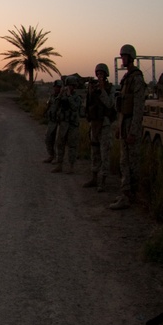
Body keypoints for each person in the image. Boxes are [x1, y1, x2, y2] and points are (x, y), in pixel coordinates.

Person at [111, 44, 146, 210]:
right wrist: (119, 127)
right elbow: (123, 107)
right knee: (124, 162)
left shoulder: (137, 79)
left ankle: (133, 194)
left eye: (124, 56)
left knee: (132, 163)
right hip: (125, 125)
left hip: (132, 126)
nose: (122, 59)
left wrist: (132, 131)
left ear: (131, 57)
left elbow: (138, 108)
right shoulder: (127, 79)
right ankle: (126, 194)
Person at [83, 63, 116, 192]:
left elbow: (109, 104)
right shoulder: (92, 87)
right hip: (95, 124)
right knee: (94, 152)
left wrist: (102, 90)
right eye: (98, 73)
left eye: (102, 74)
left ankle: (103, 181)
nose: (100, 76)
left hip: (105, 124)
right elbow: (88, 105)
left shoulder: (109, 88)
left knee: (104, 153)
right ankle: (94, 177)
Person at [52, 76, 82, 174]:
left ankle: (71, 166)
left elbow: (75, 107)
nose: (69, 87)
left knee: (72, 145)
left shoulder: (77, 97)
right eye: (68, 85)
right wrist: (60, 95)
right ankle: (59, 164)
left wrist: (69, 97)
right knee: (60, 144)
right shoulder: (62, 96)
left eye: (71, 86)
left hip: (73, 124)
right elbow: (55, 106)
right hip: (63, 123)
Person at [42, 80, 62, 163]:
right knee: (48, 138)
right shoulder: (52, 96)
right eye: (56, 87)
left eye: (58, 87)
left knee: (58, 141)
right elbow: (49, 105)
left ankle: (58, 158)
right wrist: (45, 112)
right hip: (52, 121)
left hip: (60, 122)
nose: (57, 88)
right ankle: (51, 155)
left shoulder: (63, 98)